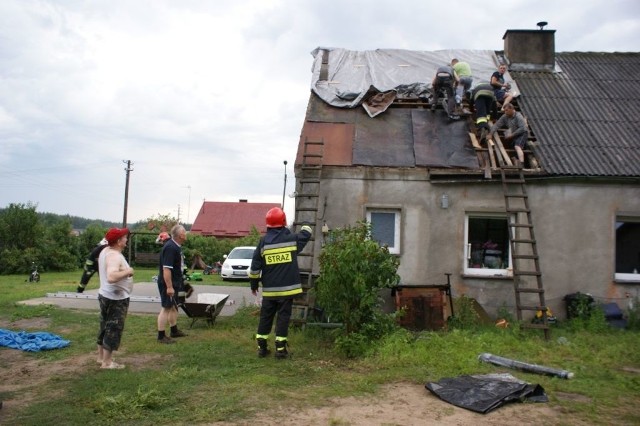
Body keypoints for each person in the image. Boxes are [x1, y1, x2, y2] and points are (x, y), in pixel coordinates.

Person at [248, 207, 312, 359]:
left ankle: (262, 348)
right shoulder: (292, 239)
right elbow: (307, 232)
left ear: (268, 224)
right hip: (287, 291)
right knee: (283, 318)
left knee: (265, 317)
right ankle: (280, 350)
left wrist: (254, 285)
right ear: (283, 222)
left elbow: (255, 266)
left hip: (270, 290)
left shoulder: (263, 242)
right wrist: (305, 222)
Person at [96, 228, 134, 369]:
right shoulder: (114, 256)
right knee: (113, 327)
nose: (126, 239)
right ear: (118, 241)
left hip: (106, 295)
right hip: (115, 299)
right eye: (124, 237)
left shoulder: (105, 251)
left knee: (104, 325)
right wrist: (128, 271)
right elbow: (112, 277)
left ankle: (101, 357)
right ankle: (107, 362)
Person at [156, 224, 188, 344]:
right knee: (166, 308)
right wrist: (169, 287)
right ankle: (161, 336)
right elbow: (167, 269)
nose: (186, 234)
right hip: (167, 283)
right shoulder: (170, 248)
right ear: (180, 235)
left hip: (175, 281)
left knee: (174, 306)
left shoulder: (176, 246)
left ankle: (174, 330)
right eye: (185, 232)